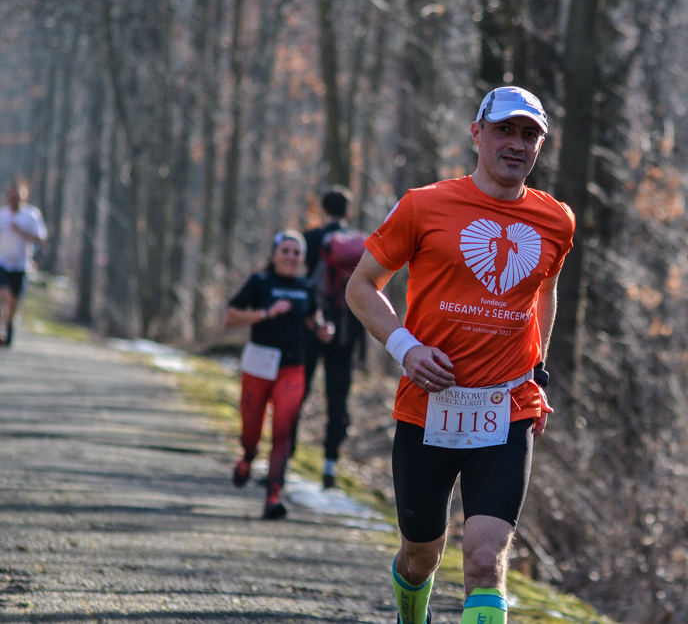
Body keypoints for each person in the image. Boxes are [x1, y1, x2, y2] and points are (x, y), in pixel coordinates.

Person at [346, 86, 574, 624]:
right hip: (428, 406)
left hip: (506, 407)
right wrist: (406, 349)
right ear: (477, 133)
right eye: (504, 130)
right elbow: (361, 286)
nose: (515, 144)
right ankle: (411, 612)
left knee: (485, 559)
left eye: (529, 135)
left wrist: (538, 373)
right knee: (421, 554)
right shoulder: (424, 205)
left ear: (539, 145)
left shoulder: (556, 220)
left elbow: (545, 291)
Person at [225, 230, 334, 520]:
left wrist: (322, 329)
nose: (291, 256)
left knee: (283, 430)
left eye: (296, 252)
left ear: (301, 258)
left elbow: (313, 317)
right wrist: (266, 313)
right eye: (285, 250)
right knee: (251, 431)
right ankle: (248, 456)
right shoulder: (260, 282)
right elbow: (231, 316)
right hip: (259, 365)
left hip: (293, 368)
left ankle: (274, 496)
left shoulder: (305, 286)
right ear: (274, 254)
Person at [295, 188, 364, 489]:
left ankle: (285, 458)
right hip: (347, 331)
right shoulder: (362, 245)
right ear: (348, 212)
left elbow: (297, 281)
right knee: (338, 396)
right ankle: (330, 465)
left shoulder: (308, 240)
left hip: (310, 326)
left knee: (298, 390)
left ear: (321, 209)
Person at [0, 182, 47, 347]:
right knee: (3, 293)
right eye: (11, 197)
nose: (14, 200)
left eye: (17, 197)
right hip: (2, 262)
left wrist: (21, 231)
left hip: (21, 265)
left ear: (24, 197)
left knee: (13, 299)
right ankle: (2, 328)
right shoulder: (2, 215)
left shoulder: (31, 216)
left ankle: (9, 326)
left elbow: (40, 239)